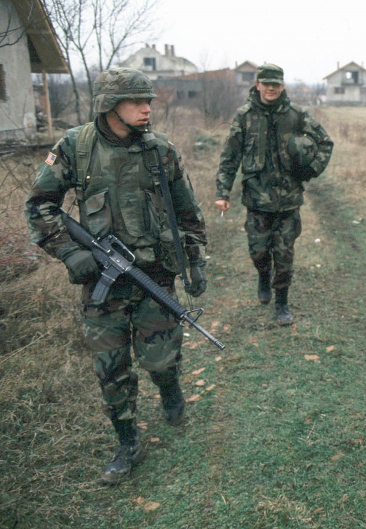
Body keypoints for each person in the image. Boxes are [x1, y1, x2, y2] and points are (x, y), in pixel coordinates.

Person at [24, 67, 208, 485]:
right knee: (111, 369)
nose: (147, 109)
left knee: (159, 358)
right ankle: (127, 442)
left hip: (155, 276)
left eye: (149, 102)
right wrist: (70, 253)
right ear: (110, 105)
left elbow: (188, 214)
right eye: (136, 102)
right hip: (101, 283)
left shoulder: (161, 151)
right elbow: (40, 207)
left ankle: (169, 385)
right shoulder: (75, 146)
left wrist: (195, 263)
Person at [215, 63, 333, 325]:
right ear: (257, 85)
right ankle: (262, 276)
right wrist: (223, 191)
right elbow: (229, 156)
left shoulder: (297, 116)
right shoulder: (244, 117)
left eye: (276, 84)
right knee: (258, 252)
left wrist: (311, 169)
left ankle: (282, 302)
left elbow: (326, 142)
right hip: (256, 201)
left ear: (282, 86)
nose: (270, 88)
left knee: (284, 254)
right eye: (266, 84)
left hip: (288, 201)